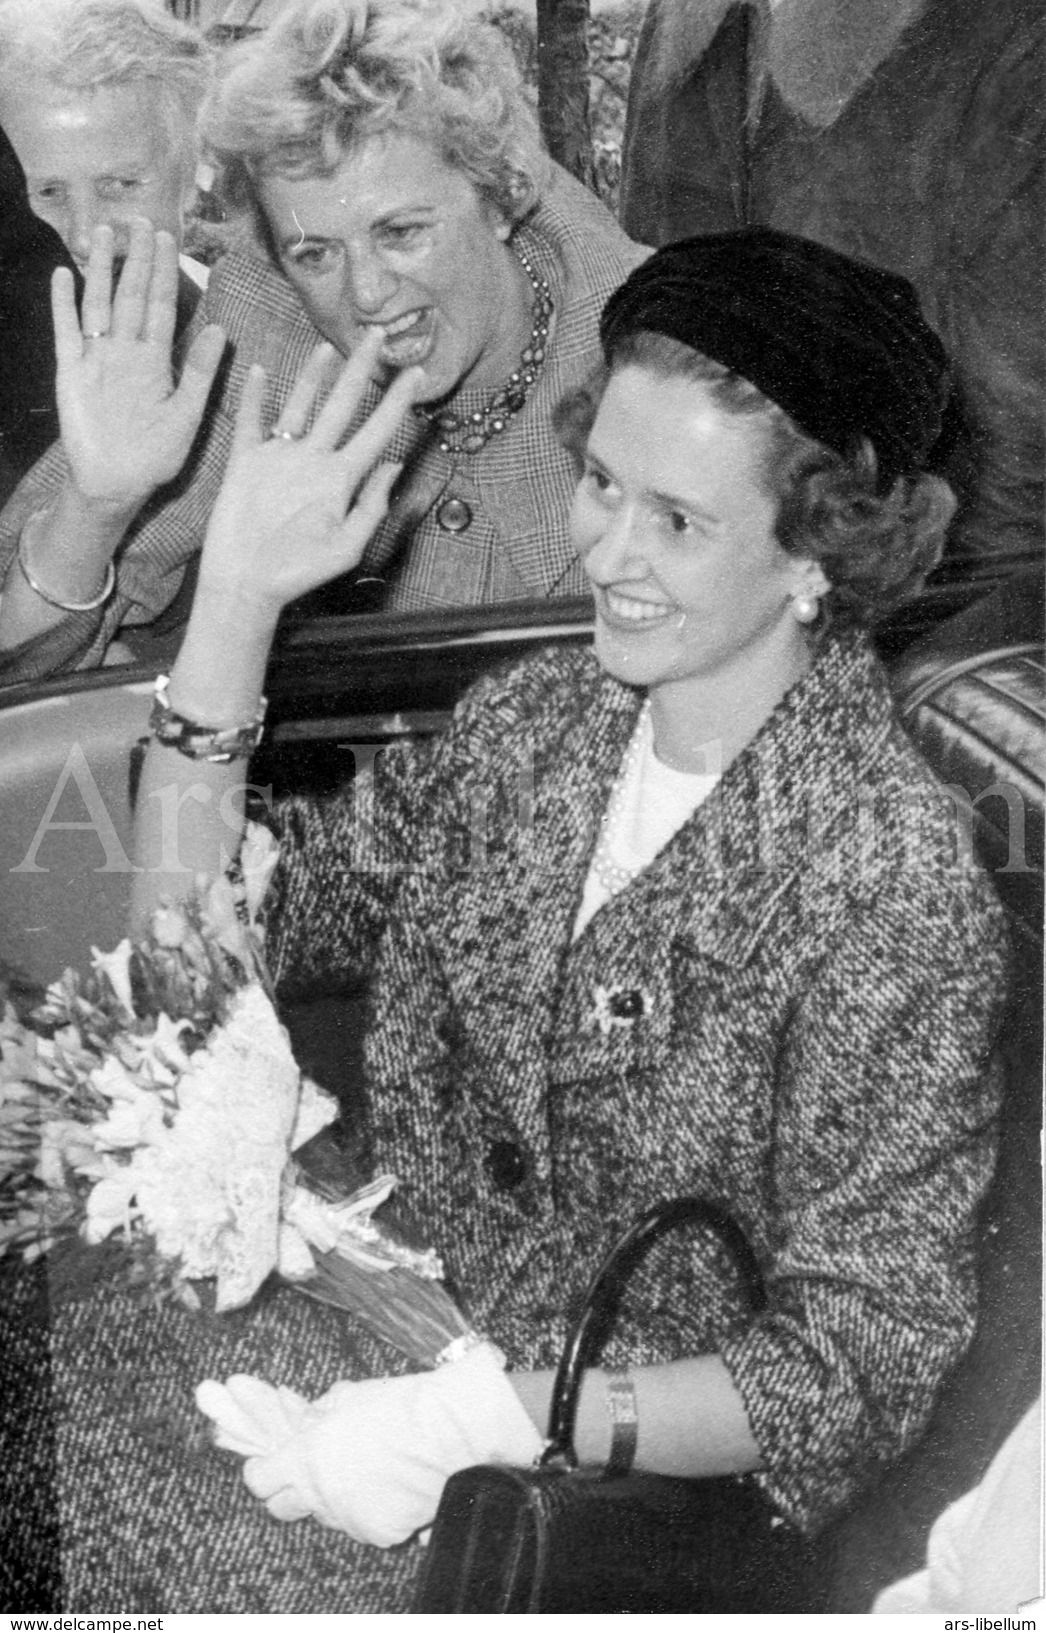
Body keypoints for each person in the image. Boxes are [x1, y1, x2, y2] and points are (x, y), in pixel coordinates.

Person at [0, 225, 1007, 1613]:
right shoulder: (535, 722)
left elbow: (854, 1360)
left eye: (679, 520)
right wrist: (231, 599)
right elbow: (196, 971)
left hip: (547, 1491)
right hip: (335, 1320)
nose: (606, 549)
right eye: (600, 481)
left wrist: (486, 1417)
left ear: (818, 552)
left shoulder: (886, 881)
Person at [0, 0, 647, 686]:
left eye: (401, 233)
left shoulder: (666, 361)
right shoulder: (268, 334)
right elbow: (23, 679)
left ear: (505, 195)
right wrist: (96, 510)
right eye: (314, 255)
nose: (366, 292)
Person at [618, 0, 1043, 591]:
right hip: (714, 579)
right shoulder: (686, 23)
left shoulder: (1014, 35)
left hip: (919, 597)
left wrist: (965, 630)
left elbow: (1021, 430)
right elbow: (648, 333)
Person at [0, 0, 217, 674]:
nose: (83, 234)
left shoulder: (251, 331)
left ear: (194, 176)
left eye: (122, 185)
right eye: (46, 192)